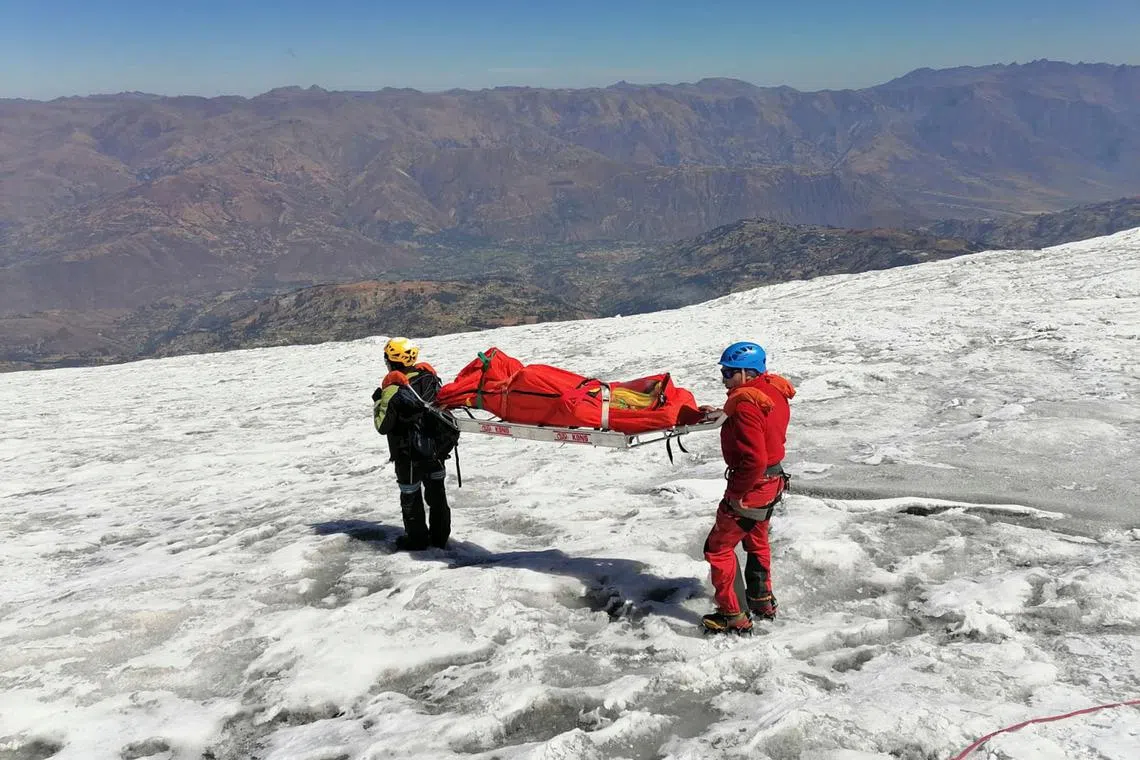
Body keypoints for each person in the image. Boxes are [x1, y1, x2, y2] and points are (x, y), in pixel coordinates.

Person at [700, 341, 796, 634]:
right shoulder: (771, 390)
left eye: (729, 373)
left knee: (718, 548)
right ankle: (761, 599)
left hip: (753, 486)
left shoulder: (745, 405)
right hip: (773, 481)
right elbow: (761, 421)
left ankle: (732, 615)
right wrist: (724, 412)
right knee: (756, 541)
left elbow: (754, 459)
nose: (724, 379)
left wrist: (737, 495)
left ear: (746, 372)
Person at [371, 337, 452, 550]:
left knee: (411, 495)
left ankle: (417, 541)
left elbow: (382, 426)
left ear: (391, 360)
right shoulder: (430, 378)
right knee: (437, 493)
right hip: (435, 450)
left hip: (408, 454)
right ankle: (440, 538)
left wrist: (378, 401)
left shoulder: (392, 388)